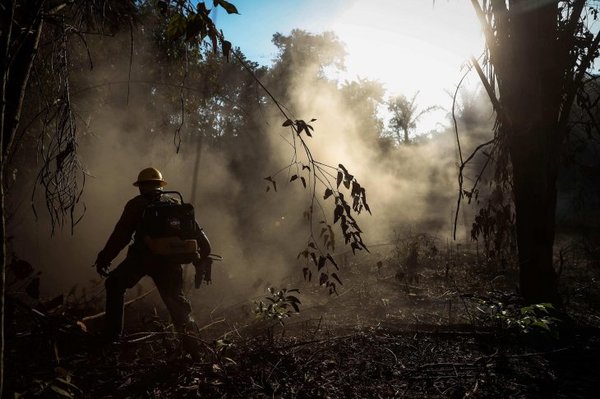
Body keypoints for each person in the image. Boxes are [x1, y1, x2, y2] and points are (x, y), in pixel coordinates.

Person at [94, 167, 211, 349]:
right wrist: (201, 259)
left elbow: (121, 235)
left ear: (141, 186)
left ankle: (112, 339)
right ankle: (193, 346)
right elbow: (200, 237)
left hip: (141, 259)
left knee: (115, 284)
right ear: (160, 186)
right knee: (176, 303)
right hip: (170, 263)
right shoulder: (175, 203)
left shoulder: (136, 205)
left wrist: (104, 258)